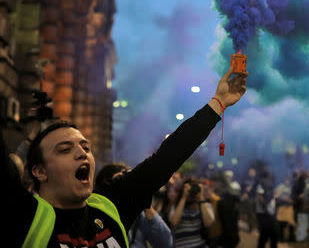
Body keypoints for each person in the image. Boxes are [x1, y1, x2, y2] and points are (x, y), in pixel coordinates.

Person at [4, 66, 247, 247]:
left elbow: (168, 157)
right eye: (65, 149)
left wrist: (218, 104)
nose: (82, 153)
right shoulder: (22, 215)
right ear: (39, 171)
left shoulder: (110, 205)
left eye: (85, 147)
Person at [94, 162, 173, 248]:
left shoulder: (139, 213)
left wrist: (143, 197)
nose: (127, 183)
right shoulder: (97, 215)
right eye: (121, 178)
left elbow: (166, 243)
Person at [169, 178, 215, 248]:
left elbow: (208, 223)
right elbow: (174, 223)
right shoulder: (176, 207)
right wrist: (184, 198)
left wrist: (201, 197)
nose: (192, 193)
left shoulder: (205, 206)